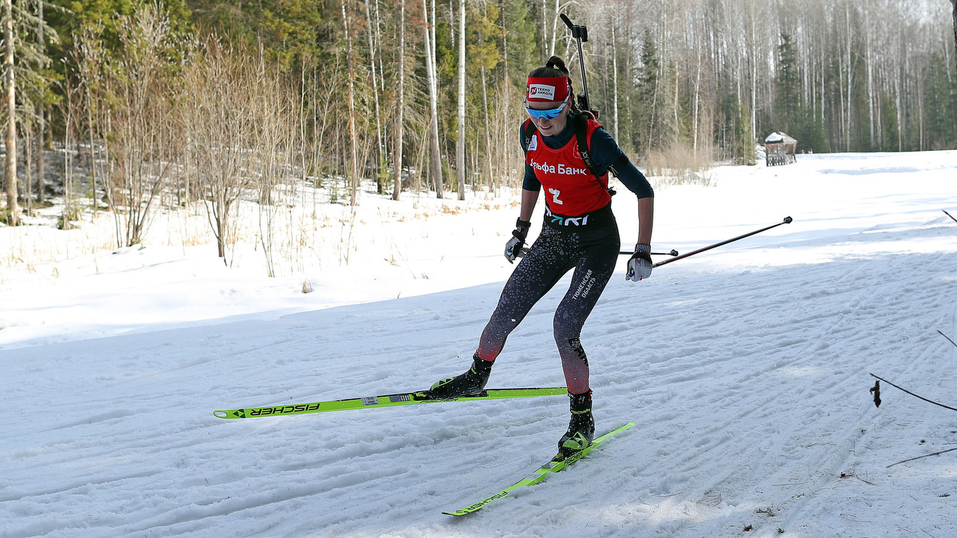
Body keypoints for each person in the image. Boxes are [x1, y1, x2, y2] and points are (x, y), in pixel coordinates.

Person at [428, 56, 655, 457]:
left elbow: (643, 189)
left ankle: (582, 419)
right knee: (506, 308)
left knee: (564, 325)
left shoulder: (594, 140)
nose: (542, 120)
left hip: (597, 241)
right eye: (534, 112)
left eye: (550, 112)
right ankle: (476, 376)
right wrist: (520, 229)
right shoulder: (529, 134)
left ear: (567, 104)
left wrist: (641, 250)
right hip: (553, 235)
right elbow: (534, 175)